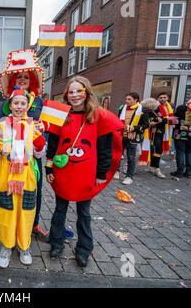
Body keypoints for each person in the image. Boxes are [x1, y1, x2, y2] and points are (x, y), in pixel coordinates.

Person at [46, 76, 123, 267]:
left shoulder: (99, 116)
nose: (74, 95)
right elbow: (53, 145)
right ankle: (56, 243)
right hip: (63, 171)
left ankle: (84, 249)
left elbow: (105, 148)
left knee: (84, 213)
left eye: (78, 91)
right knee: (60, 209)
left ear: (86, 92)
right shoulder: (60, 114)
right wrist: (48, 167)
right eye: (70, 92)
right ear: (66, 95)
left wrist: (101, 174)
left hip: (86, 173)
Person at [0, 48, 50, 243]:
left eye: (26, 77)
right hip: (9, 163)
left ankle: (30, 228)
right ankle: (9, 238)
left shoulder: (40, 103)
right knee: (8, 202)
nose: (22, 79)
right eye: (19, 76)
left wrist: (41, 131)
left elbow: (49, 127)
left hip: (30, 161)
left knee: (31, 196)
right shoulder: (5, 114)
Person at [0, 88, 46, 268]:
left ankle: (24, 245)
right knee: (6, 210)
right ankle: (7, 246)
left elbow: (39, 155)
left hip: (26, 174)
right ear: (10, 105)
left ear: (27, 106)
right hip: (6, 173)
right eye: (16, 103)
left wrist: (40, 144)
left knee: (26, 210)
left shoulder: (34, 126)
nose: (19, 106)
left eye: (23, 103)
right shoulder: (1, 125)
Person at [116, 92, 149, 185]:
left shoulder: (143, 110)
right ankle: (116, 172)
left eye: (129, 99)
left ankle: (129, 176)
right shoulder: (122, 108)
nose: (127, 101)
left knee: (131, 157)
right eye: (126, 99)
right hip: (121, 135)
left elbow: (146, 124)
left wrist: (134, 128)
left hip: (133, 137)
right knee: (118, 155)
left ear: (136, 100)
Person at [170, 91, 191, 178]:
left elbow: (175, 119)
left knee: (180, 152)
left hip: (181, 134)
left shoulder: (182, 107)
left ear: (190, 98)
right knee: (189, 152)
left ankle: (179, 171)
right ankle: (189, 171)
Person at [144, 93, 176, 178]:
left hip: (164, 131)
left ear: (167, 98)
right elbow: (152, 119)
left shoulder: (169, 107)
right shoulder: (154, 107)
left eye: (164, 97)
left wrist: (170, 120)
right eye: (160, 97)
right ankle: (157, 169)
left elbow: (163, 119)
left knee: (157, 150)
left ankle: (152, 167)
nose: (162, 99)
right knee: (158, 149)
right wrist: (166, 119)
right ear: (158, 98)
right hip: (155, 131)